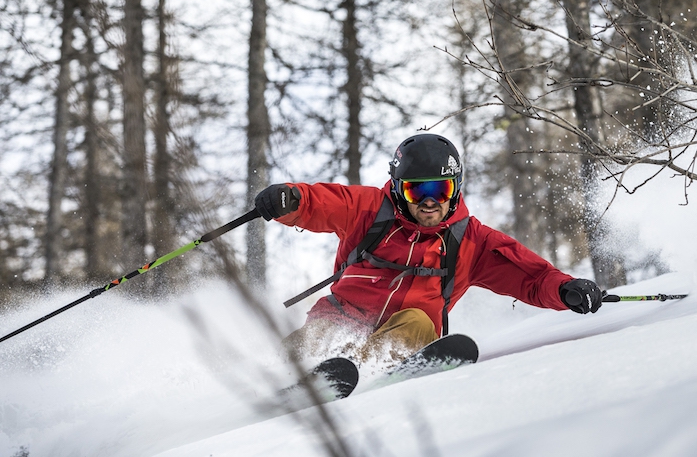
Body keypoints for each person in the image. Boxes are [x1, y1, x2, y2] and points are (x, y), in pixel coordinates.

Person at [254, 133, 602, 365]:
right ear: (398, 189)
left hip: (408, 334)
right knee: (320, 338)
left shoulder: (470, 241)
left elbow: (529, 275)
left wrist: (564, 289)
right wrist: (291, 200)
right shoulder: (371, 210)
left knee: (418, 320)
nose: (430, 202)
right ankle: (290, 378)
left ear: (456, 188)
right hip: (341, 318)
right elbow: (325, 202)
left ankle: (370, 369)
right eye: (417, 191)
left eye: (442, 189)